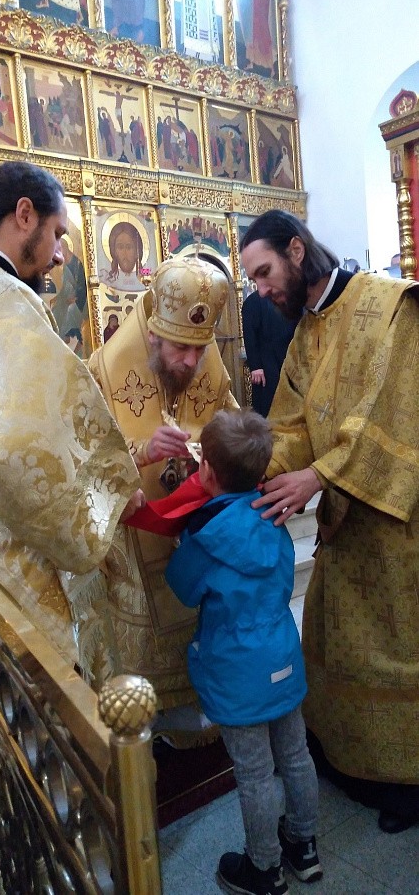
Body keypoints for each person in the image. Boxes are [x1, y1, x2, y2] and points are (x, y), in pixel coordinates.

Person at [0, 160, 142, 680]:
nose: (60, 254)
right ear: (23, 215)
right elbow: (25, 450)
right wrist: (104, 501)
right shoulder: (3, 299)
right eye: (57, 233)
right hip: (4, 561)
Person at [240, 209, 419, 834]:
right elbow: (289, 425)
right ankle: (351, 764)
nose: (261, 289)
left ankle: (409, 786)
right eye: (253, 280)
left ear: (296, 250)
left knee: (399, 651)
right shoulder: (306, 331)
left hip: (396, 525)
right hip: (344, 529)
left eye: (264, 272)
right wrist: (248, 469)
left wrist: (316, 478)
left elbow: (395, 416)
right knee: (336, 646)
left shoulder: (392, 306)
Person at [166, 408, 322, 895]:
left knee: (254, 774)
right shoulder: (274, 513)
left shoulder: (206, 533)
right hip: (282, 654)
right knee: (295, 755)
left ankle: (264, 869)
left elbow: (184, 589)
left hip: (236, 671)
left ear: (206, 471)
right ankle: (304, 847)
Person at [88, 254, 239, 743]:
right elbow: (84, 459)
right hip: (136, 550)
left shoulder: (206, 363)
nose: (192, 362)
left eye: (200, 347)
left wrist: (210, 452)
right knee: (142, 684)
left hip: (197, 537)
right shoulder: (103, 372)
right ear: (153, 333)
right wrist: (141, 452)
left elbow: (233, 427)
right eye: (180, 348)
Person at [242, 287, 298, 416]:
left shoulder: (290, 299)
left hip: (290, 358)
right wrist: (255, 366)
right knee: (267, 403)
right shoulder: (253, 301)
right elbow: (250, 334)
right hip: (266, 362)